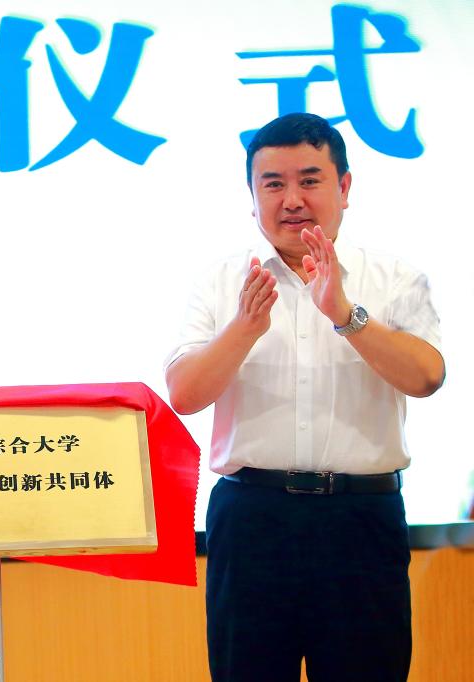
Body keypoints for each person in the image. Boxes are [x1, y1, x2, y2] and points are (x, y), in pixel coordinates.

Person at [164, 112, 444, 682]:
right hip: (252, 519)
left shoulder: (394, 278)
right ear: (253, 198)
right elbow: (185, 395)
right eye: (273, 184)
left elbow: (426, 377)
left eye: (310, 180)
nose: (292, 199)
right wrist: (244, 327)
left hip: (360, 520)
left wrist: (344, 313)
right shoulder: (222, 282)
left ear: (344, 187)